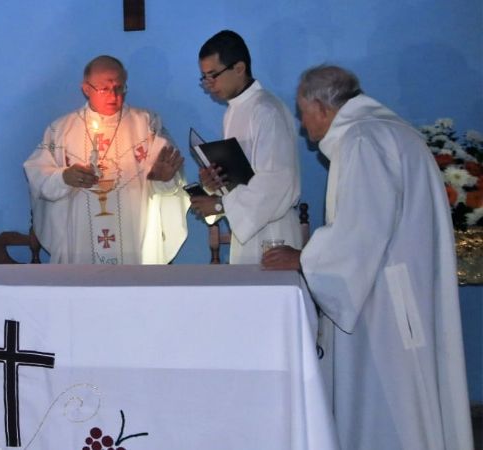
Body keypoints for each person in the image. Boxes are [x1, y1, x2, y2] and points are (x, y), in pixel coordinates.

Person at [263, 65, 473, 450]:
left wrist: (305, 257)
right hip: (396, 292)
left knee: (388, 408)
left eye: (301, 111)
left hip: (384, 307)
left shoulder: (363, 139)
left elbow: (361, 229)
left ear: (322, 108)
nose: (300, 122)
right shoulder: (386, 130)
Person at [24, 55, 189, 264]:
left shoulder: (147, 124)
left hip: (134, 234)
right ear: (86, 88)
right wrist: (64, 177)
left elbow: (170, 179)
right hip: (80, 240)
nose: (113, 96)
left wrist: (164, 178)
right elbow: (37, 174)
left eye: (119, 88)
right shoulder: (61, 130)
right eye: (104, 89)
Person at [190, 30, 302, 263]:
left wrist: (221, 204)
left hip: (273, 233)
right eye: (204, 78)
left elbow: (275, 182)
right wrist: (215, 183)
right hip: (247, 231)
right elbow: (242, 177)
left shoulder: (266, 111)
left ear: (239, 68)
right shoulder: (233, 111)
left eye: (213, 75)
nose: (209, 85)